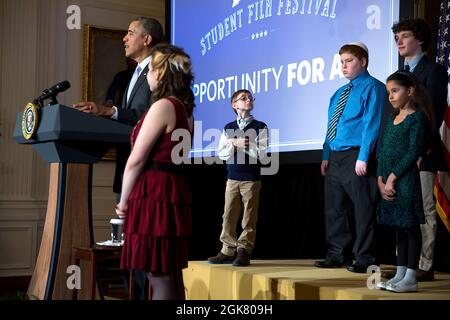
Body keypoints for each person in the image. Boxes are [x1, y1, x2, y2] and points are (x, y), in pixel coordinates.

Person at [74, 17, 164, 299]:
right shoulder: (133, 74)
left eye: (130, 33)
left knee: (142, 247)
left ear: (146, 39)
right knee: (128, 245)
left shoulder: (160, 72)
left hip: (146, 172)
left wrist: (108, 111)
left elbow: (151, 118)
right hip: (126, 171)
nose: (124, 38)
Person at [115, 43, 195, 300]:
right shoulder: (185, 110)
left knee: (158, 276)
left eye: (149, 69)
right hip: (171, 188)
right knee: (169, 274)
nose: (147, 74)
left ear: (159, 73)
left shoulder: (162, 106)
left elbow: (136, 161)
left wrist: (123, 202)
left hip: (155, 191)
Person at [385, 18, 448, 282]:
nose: (399, 41)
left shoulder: (432, 70)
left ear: (420, 40)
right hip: (400, 156)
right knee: (403, 212)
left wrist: (420, 152)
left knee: (423, 210)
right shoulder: (401, 76)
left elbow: (432, 115)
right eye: (397, 36)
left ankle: (424, 265)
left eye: (405, 36)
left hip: (422, 154)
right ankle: (405, 266)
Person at [314, 42, 386, 273]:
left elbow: (371, 124)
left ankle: (364, 257)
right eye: (341, 62)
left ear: (363, 61)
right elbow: (330, 126)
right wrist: (326, 155)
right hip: (335, 157)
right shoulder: (339, 93)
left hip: (357, 154)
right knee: (335, 208)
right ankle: (336, 254)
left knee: (363, 208)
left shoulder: (374, 88)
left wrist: (364, 156)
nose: (343, 66)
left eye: (349, 61)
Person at [376, 71, 433, 293]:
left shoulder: (416, 118)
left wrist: (392, 177)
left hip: (405, 180)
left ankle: (411, 276)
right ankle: (400, 273)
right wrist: (381, 180)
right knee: (398, 228)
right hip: (388, 182)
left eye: (395, 90)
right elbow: (384, 151)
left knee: (409, 227)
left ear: (409, 91)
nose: (390, 96)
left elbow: (412, 152)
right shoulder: (391, 119)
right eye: (388, 92)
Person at [207, 89, 268, 267]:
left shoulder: (260, 126)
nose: (248, 100)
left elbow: (262, 153)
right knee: (228, 215)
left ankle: (243, 251)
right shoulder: (228, 128)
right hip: (232, 178)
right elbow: (223, 154)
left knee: (249, 217)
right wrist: (234, 142)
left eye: (250, 98)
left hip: (251, 178)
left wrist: (242, 142)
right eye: (243, 98)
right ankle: (227, 250)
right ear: (234, 105)